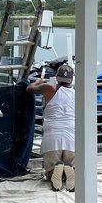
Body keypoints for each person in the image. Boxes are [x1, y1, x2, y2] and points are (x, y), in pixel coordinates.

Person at [27, 63, 76, 192]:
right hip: (72, 138)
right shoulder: (76, 93)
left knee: (50, 171)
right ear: (71, 80)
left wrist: (38, 82)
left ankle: (54, 171)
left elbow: (30, 89)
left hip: (53, 137)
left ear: (57, 77)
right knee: (71, 166)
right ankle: (68, 170)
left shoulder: (50, 88)